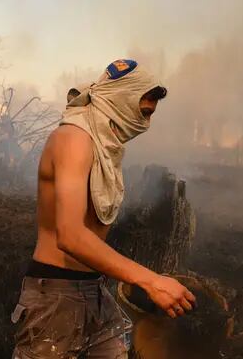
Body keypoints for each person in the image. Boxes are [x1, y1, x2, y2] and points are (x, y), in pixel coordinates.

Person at [11, 59, 196, 359]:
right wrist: (151, 281)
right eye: (144, 113)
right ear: (121, 101)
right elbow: (70, 236)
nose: (145, 125)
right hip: (55, 298)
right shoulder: (74, 140)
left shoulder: (104, 146)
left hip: (94, 292)